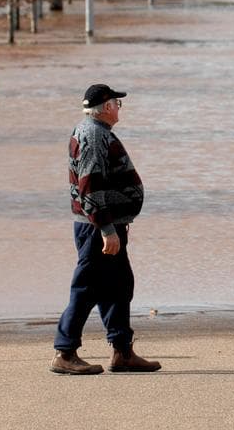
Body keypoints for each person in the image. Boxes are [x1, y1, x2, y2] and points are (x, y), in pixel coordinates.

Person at [51, 83, 162, 375]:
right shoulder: (93, 135)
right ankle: (65, 352)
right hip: (96, 227)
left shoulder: (97, 132)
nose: (119, 108)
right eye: (117, 103)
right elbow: (90, 186)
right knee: (87, 288)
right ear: (107, 107)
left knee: (119, 286)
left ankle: (122, 352)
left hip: (106, 224)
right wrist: (107, 229)